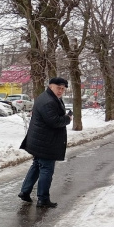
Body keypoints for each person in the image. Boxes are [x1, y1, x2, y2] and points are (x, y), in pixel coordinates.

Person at [18, 77, 73, 208]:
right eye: (58, 88)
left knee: (37, 165)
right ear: (51, 86)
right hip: (46, 142)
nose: (60, 91)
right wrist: (67, 118)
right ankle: (43, 198)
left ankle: (25, 191)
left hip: (41, 140)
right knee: (46, 170)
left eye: (63, 89)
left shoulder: (47, 97)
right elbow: (54, 121)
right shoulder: (48, 101)